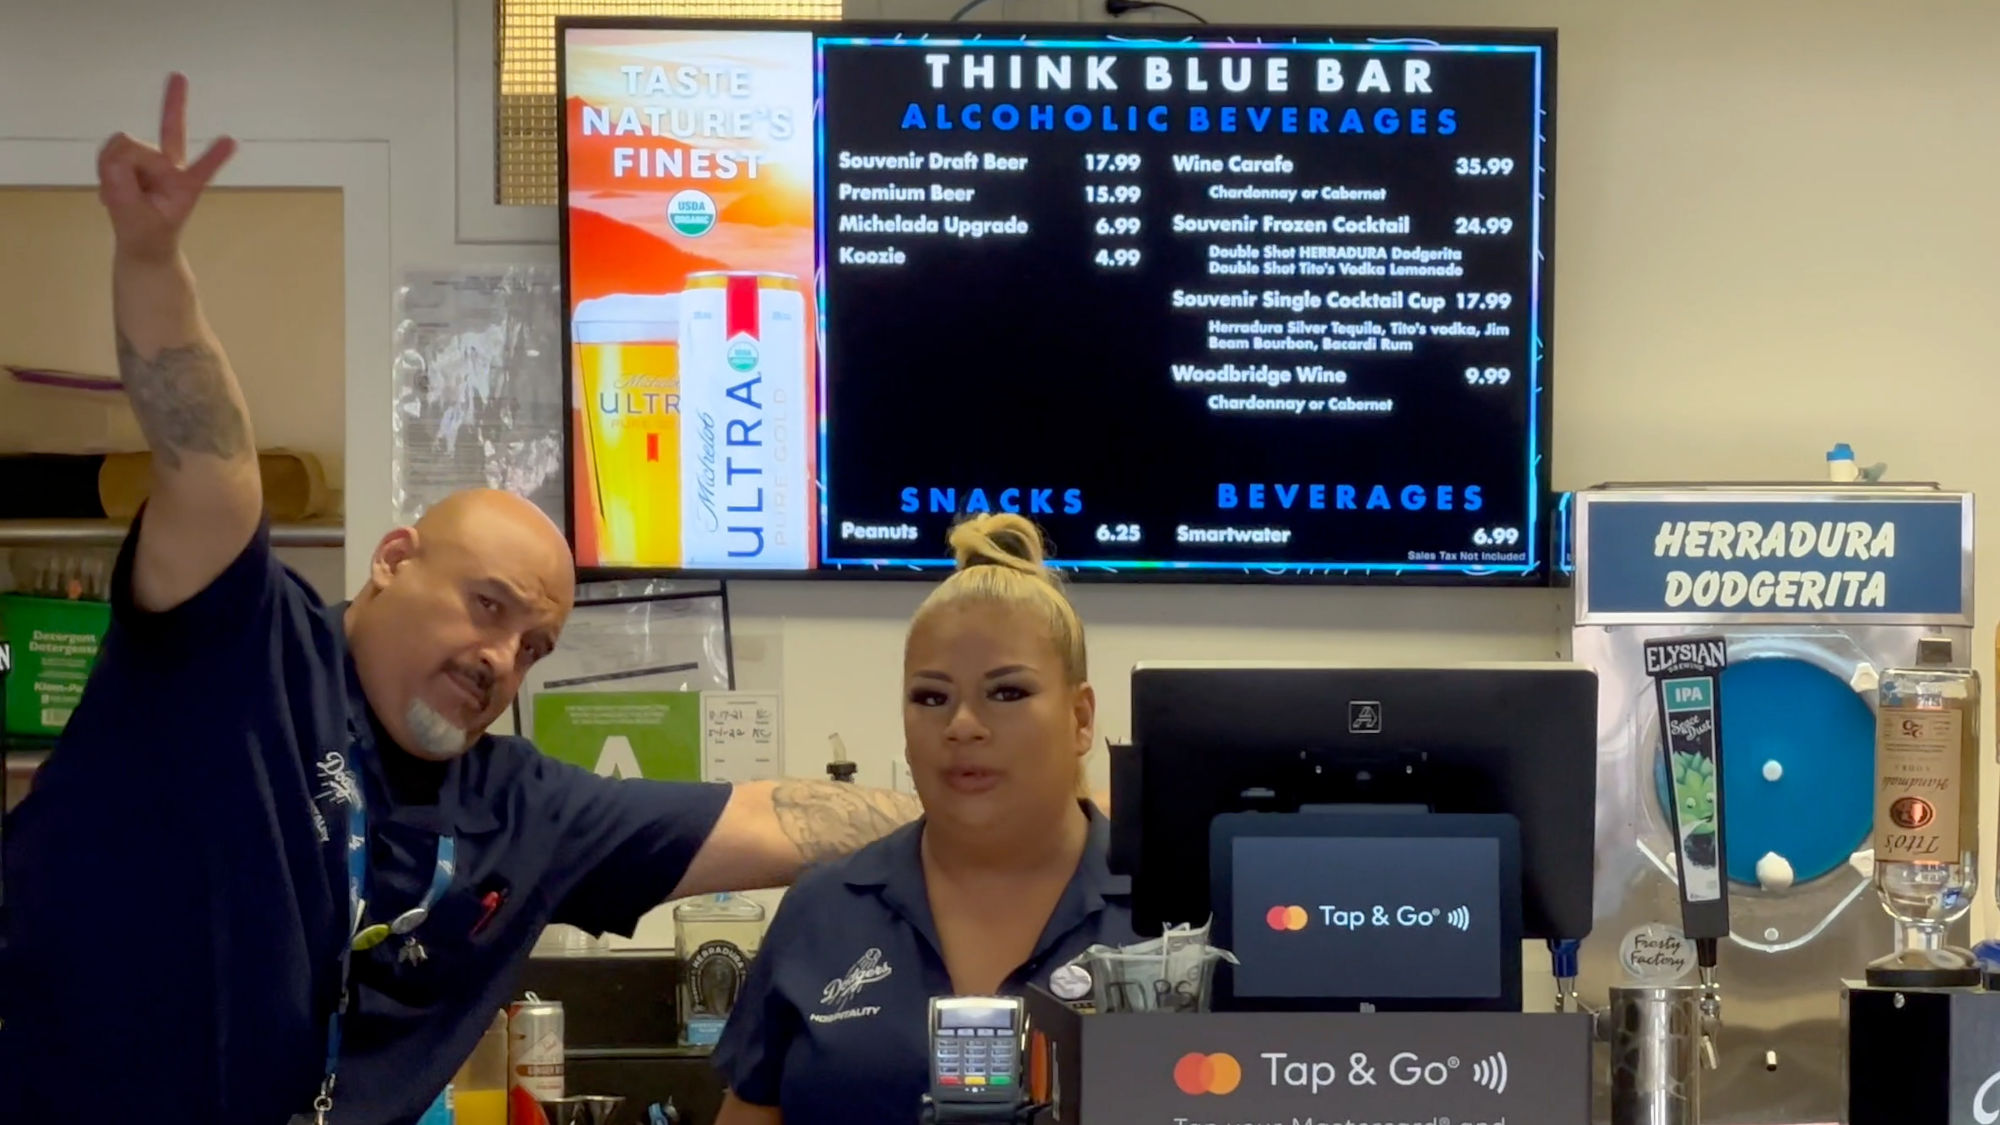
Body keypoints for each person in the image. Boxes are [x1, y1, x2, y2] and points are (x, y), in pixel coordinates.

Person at [0, 74, 920, 1125]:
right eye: (488, 607)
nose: (502, 659)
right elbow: (208, 461)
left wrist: (1022, 815)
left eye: (535, 647)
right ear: (393, 558)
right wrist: (153, 261)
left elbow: (771, 818)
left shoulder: (521, 810)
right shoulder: (239, 646)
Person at [709, 514, 1137, 1125]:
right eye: (931, 697)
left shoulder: (1170, 916)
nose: (962, 724)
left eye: (1007, 692)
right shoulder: (823, 911)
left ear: (1080, 717)